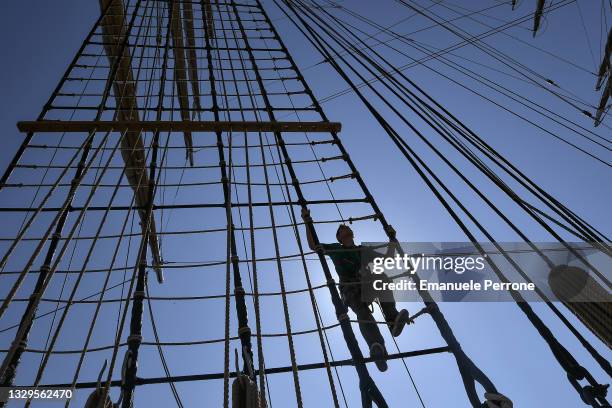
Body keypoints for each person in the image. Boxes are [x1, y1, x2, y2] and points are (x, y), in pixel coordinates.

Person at [302, 209, 410, 372]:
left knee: (382, 278)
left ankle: (392, 318)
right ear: (338, 238)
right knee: (363, 313)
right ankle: (376, 346)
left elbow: (387, 259)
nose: (345, 231)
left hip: (366, 285)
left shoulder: (363, 250)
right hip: (351, 290)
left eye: (347, 229)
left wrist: (392, 241)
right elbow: (313, 245)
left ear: (352, 233)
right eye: (341, 231)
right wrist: (306, 221)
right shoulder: (335, 249)